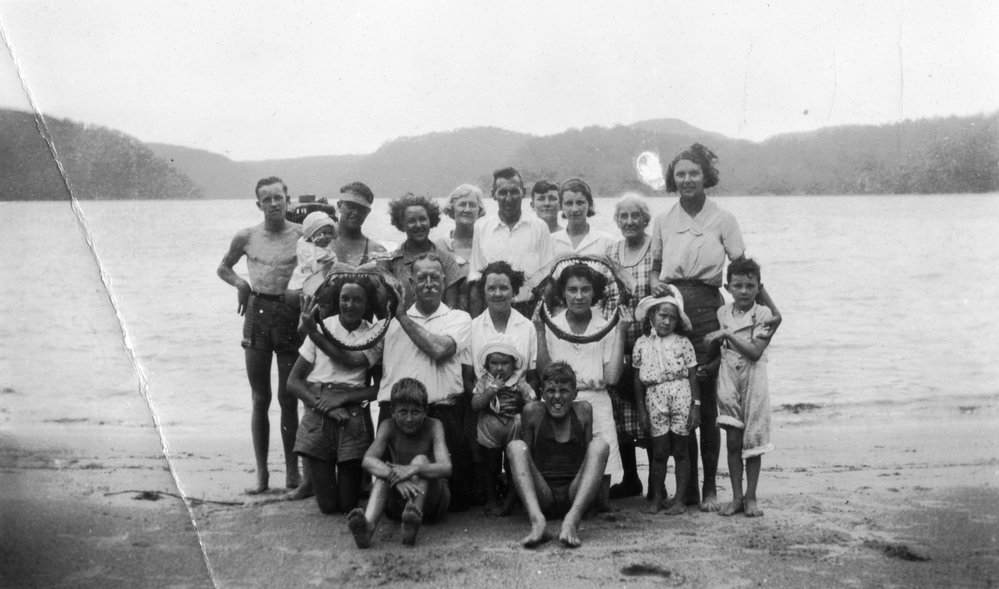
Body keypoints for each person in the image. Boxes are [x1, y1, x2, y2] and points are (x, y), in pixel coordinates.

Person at [649, 143, 781, 511]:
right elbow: (656, 271)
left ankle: (709, 489)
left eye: (693, 173)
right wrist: (654, 287)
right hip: (673, 308)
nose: (687, 179)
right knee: (678, 397)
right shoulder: (663, 220)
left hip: (709, 307)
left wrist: (771, 310)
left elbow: (743, 271)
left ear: (706, 177)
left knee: (708, 404)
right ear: (672, 180)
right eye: (680, 174)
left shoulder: (724, 219)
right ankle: (685, 489)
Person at [217, 176, 304, 495]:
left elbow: (317, 268)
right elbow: (223, 268)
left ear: (287, 198)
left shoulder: (301, 235)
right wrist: (241, 285)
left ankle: (293, 473)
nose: (273, 203)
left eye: (278, 197)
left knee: (289, 397)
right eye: (266, 199)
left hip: (289, 315)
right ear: (258, 204)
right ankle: (263, 475)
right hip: (257, 314)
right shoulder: (247, 236)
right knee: (260, 397)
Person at [377, 252, 475, 510]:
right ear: (411, 281)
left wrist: (402, 318)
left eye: (435, 277)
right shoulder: (390, 322)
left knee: (458, 501)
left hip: (444, 415)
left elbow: (439, 349)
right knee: (391, 497)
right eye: (422, 278)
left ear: (444, 280)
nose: (429, 283)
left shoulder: (459, 318)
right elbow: (360, 359)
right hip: (397, 417)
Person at [285, 276, 383, 512]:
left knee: (348, 503)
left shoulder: (373, 334)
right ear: (337, 300)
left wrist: (344, 399)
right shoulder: (322, 326)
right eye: (345, 299)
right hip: (318, 408)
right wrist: (323, 405)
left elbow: (377, 387)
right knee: (328, 507)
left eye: (358, 300)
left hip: (351, 413)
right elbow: (293, 382)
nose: (350, 305)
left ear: (367, 304)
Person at [535, 263, 626, 506]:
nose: (578, 296)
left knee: (601, 502)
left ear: (594, 293)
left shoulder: (605, 324)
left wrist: (621, 332)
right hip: (561, 403)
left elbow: (613, 377)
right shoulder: (553, 324)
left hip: (597, 400)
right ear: (562, 293)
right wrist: (540, 332)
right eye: (572, 289)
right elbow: (545, 373)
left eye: (585, 290)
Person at [506, 362, 609, 548]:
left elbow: (590, 458)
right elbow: (525, 462)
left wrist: (596, 500)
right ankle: (537, 521)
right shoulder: (533, 412)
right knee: (516, 447)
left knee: (600, 445)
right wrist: (511, 503)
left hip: (573, 493)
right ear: (542, 393)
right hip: (544, 494)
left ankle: (571, 520)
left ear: (575, 394)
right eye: (551, 391)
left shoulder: (584, 410)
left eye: (564, 391)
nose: (557, 397)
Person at [704, 258, 774, 518]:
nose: (744, 291)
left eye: (750, 285)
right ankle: (736, 497)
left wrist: (728, 335)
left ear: (759, 288)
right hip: (728, 379)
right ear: (727, 287)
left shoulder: (763, 314)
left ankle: (751, 496)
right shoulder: (722, 313)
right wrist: (710, 367)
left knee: (752, 442)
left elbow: (755, 352)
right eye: (738, 285)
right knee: (733, 442)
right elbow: (722, 352)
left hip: (754, 380)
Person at [347, 378, 452, 548]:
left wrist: (413, 469)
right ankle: (368, 527)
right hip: (398, 500)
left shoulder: (434, 426)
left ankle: (412, 522)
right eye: (403, 412)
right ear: (393, 411)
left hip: (432, 503)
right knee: (384, 472)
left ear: (425, 411)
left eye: (415, 412)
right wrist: (396, 476)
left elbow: (446, 467)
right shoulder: (388, 426)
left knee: (421, 460)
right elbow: (368, 460)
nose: (409, 418)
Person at [603, 193, 655, 499]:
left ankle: (654, 482)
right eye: (623, 216)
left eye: (636, 215)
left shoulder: (654, 248)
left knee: (647, 410)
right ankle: (631, 479)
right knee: (620, 412)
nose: (630, 221)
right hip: (619, 341)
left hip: (649, 344)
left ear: (646, 219)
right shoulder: (611, 250)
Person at [632, 288, 699, 514]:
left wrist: (695, 406)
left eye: (672, 317)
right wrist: (641, 410)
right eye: (663, 315)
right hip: (654, 397)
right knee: (659, 451)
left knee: (681, 450)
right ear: (652, 315)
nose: (667, 321)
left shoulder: (682, 342)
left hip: (680, 395)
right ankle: (657, 496)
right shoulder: (641, 343)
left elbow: (692, 375)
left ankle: (679, 500)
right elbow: (636, 379)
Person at [468, 167, 555, 317]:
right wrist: (476, 323)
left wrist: (541, 319)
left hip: (529, 310)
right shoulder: (481, 227)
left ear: (524, 192)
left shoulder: (540, 227)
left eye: (514, 191)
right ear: (493, 194)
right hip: (491, 311)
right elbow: (476, 280)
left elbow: (548, 280)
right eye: (502, 192)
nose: (509, 198)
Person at [470, 341, 534, 514]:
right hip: (490, 425)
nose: (499, 368)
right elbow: (476, 404)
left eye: (505, 363)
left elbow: (532, 402)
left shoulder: (518, 382)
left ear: (513, 365)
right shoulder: (484, 381)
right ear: (487, 365)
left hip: (514, 425)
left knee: (513, 463)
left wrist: (520, 400)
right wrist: (492, 390)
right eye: (494, 363)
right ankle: (491, 500)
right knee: (491, 465)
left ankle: (512, 501)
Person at [383, 193, 463, 309]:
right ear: (402, 224)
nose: (418, 225)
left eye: (423, 219)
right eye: (411, 221)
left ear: (431, 221)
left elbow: (451, 306)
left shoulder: (446, 260)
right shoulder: (391, 261)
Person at [435, 184, 486, 312]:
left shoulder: (487, 244)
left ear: (479, 211)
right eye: (462, 204)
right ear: (452, 209)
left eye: (472, 205)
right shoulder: (439, 246)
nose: (467, 210)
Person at [552, 179, 615, 257]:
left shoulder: (606, 241)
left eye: (580, 203)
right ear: (561, 206)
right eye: (569, 203)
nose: (574, 209)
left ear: (590, 205)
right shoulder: (551, 241)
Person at [285, 211, 338, 305]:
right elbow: (314, 267)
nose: (328, 237)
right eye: (323, 233)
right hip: (303, 282)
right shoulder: (307, 247)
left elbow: (333, 262)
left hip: (318, 280)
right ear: (311, 234)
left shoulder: (323, 246)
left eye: (330, 233)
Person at [331, 182, 387, 266]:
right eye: (351, 206)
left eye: (362, 209)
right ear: (339, 206)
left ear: (368, 212)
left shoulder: (377, 251)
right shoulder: (317, 241)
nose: (356, 213)